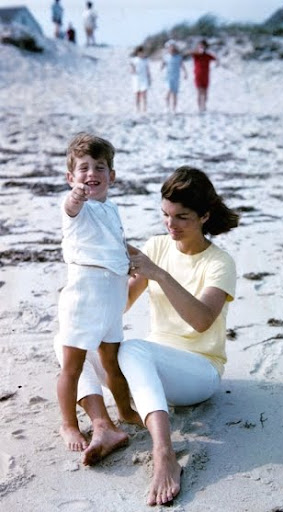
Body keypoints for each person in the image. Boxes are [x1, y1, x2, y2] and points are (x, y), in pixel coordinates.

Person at [55, 165, 238, 506]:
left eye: (182, 217)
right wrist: (88, 289)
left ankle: (164, 453)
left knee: (134, 349)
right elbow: (120, 303)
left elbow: (201, 321)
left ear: (204, 216)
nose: (171, 225)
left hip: (199, 373)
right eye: (166, 215)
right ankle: (103, 425)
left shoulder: (219, 262)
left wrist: (159, 274)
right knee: (69, 338)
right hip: (147, 371)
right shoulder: (157, 245)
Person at [55, 132, 141, 453]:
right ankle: (68, 424)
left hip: (112, 298)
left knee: (111, 362)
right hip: (84, 297)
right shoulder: (78, 209)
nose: (92, 174)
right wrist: (76, 196)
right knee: (72, 366)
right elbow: (71, 206)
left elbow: (115, 242)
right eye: (84, 168)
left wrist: (127, 262)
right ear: (71, 177)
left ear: (112, 176)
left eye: (100, 167)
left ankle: (126, 411)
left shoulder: (112, 208)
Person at [189, 39, 219, 113]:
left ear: (206, 47)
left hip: (206, 76)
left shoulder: (207, 55)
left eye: (203, 46)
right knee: (199, 92)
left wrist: (217, 63)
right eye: (200, 46)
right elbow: (189, 52)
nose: (201, 47)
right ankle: (199, 108)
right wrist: (197, 50)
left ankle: (204, 106)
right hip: (198, 75)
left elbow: (216, 59)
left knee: (205, 92)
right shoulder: (196, 55)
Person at [161, 40, 188, 113]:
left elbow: (182, 65)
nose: (172, 48)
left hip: (176, 77)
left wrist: (185, 73)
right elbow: (163, 65)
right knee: (168, 91)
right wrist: (161, 69)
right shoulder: (166, 56)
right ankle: (166, 107)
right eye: (170, 47)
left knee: (175, 93)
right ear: (168, 48)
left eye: (173, 46)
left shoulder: (178, 57)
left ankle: (174, 109)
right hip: (168, 77)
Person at [130, 45, 151, 113]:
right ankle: (137, 108)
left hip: (144, 79)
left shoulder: (146, 60)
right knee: (137, 94)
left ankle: (144, 108)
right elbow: (132, 68)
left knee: (144, 94)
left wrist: (149, 78)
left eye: (142, 52)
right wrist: (133, 70)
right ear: (137, 52)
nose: (141, 54)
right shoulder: (134, 60)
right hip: (136, 79)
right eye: (140, 52)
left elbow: (148, 70)